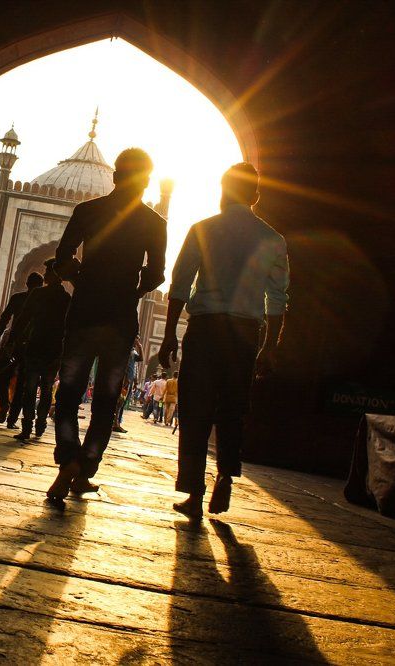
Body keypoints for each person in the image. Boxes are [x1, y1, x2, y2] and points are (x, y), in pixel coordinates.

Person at [158, 162, 290, 519]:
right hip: (244, 335)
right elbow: (277, 300)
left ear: (223, 191)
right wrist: (270, 347)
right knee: (233, 409)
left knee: (195, 410)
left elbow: (179, 286)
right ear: (255, 196)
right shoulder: (272, 239)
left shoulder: (203, 229)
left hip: (205, 329)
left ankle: (194, 493)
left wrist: (169, 335)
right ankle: (225, 477)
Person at [46, 148, 167, 502]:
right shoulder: (154, 222)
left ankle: (68, 461)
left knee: (68, 396)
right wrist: (132, 290)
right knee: (105, 403)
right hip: (120, 320)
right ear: (146, 182)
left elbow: (62, 258)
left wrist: (81, 280)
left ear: (115, 176)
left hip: (84, 314)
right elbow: (156, 274)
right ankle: (85, 469)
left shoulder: (88, 211)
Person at [9, 258, 71, 441]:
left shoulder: (38, 294)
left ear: (55, 274)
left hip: (36, 347)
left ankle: (27, 426)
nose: (44, 275)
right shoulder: (66, 298)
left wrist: (13, 341)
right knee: (46, 389)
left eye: (47, 272)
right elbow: (70, 327)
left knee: (30, 388)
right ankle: (40, 424)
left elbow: (23, 319)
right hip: (54, 351)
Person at [0, 272, 44, 423]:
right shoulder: (43, 302)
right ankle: (12, 418)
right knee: (22, 383)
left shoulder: (18, 298)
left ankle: (5, 406)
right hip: (31, 346)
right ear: (41, 286)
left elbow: (4, 319)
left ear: (26, 284)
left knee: (3, 377)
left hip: (14, 344)